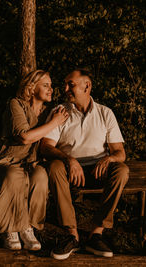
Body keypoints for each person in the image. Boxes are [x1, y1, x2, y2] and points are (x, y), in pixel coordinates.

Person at [0, 70, 69, 251]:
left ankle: (27, 226)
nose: (51, 89)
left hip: (31, 162)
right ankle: (10, 228)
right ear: (31, 87)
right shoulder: (16, 104)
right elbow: (24, 137)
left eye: (50, 85)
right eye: (45, 85)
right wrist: (54, 123)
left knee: (41, 176)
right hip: (7, 160)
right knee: (13, 175)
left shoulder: (49, 112)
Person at [40, 69, 129, 260]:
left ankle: (96, 234)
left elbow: (120, 153)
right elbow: (46, 147)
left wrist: (109, 159)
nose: (65, 89)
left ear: (86, 86)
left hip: (98, 170)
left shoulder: (105, 113)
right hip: (68, 169)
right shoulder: (60, 112)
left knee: (122, 170)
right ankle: (72, 235)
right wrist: (69, 160)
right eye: (65, 84)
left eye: (70, 84)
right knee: (54, 167)